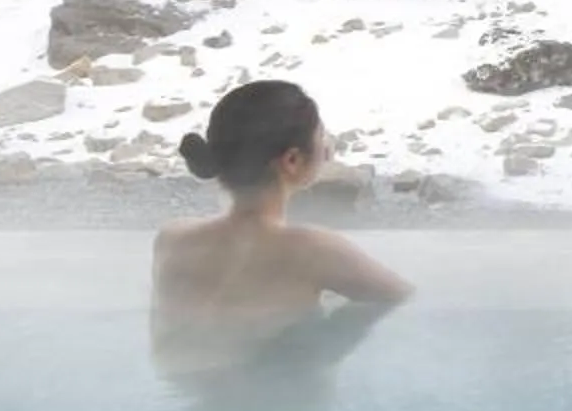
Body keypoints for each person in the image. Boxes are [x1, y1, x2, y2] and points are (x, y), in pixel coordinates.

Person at [152, 80, 412, 330]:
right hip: (266, 375)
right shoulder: (316, 251)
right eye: (322, 136)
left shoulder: (171, 239)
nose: (328, 150)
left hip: (178, 376)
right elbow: (407, 300)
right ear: (292, 160)